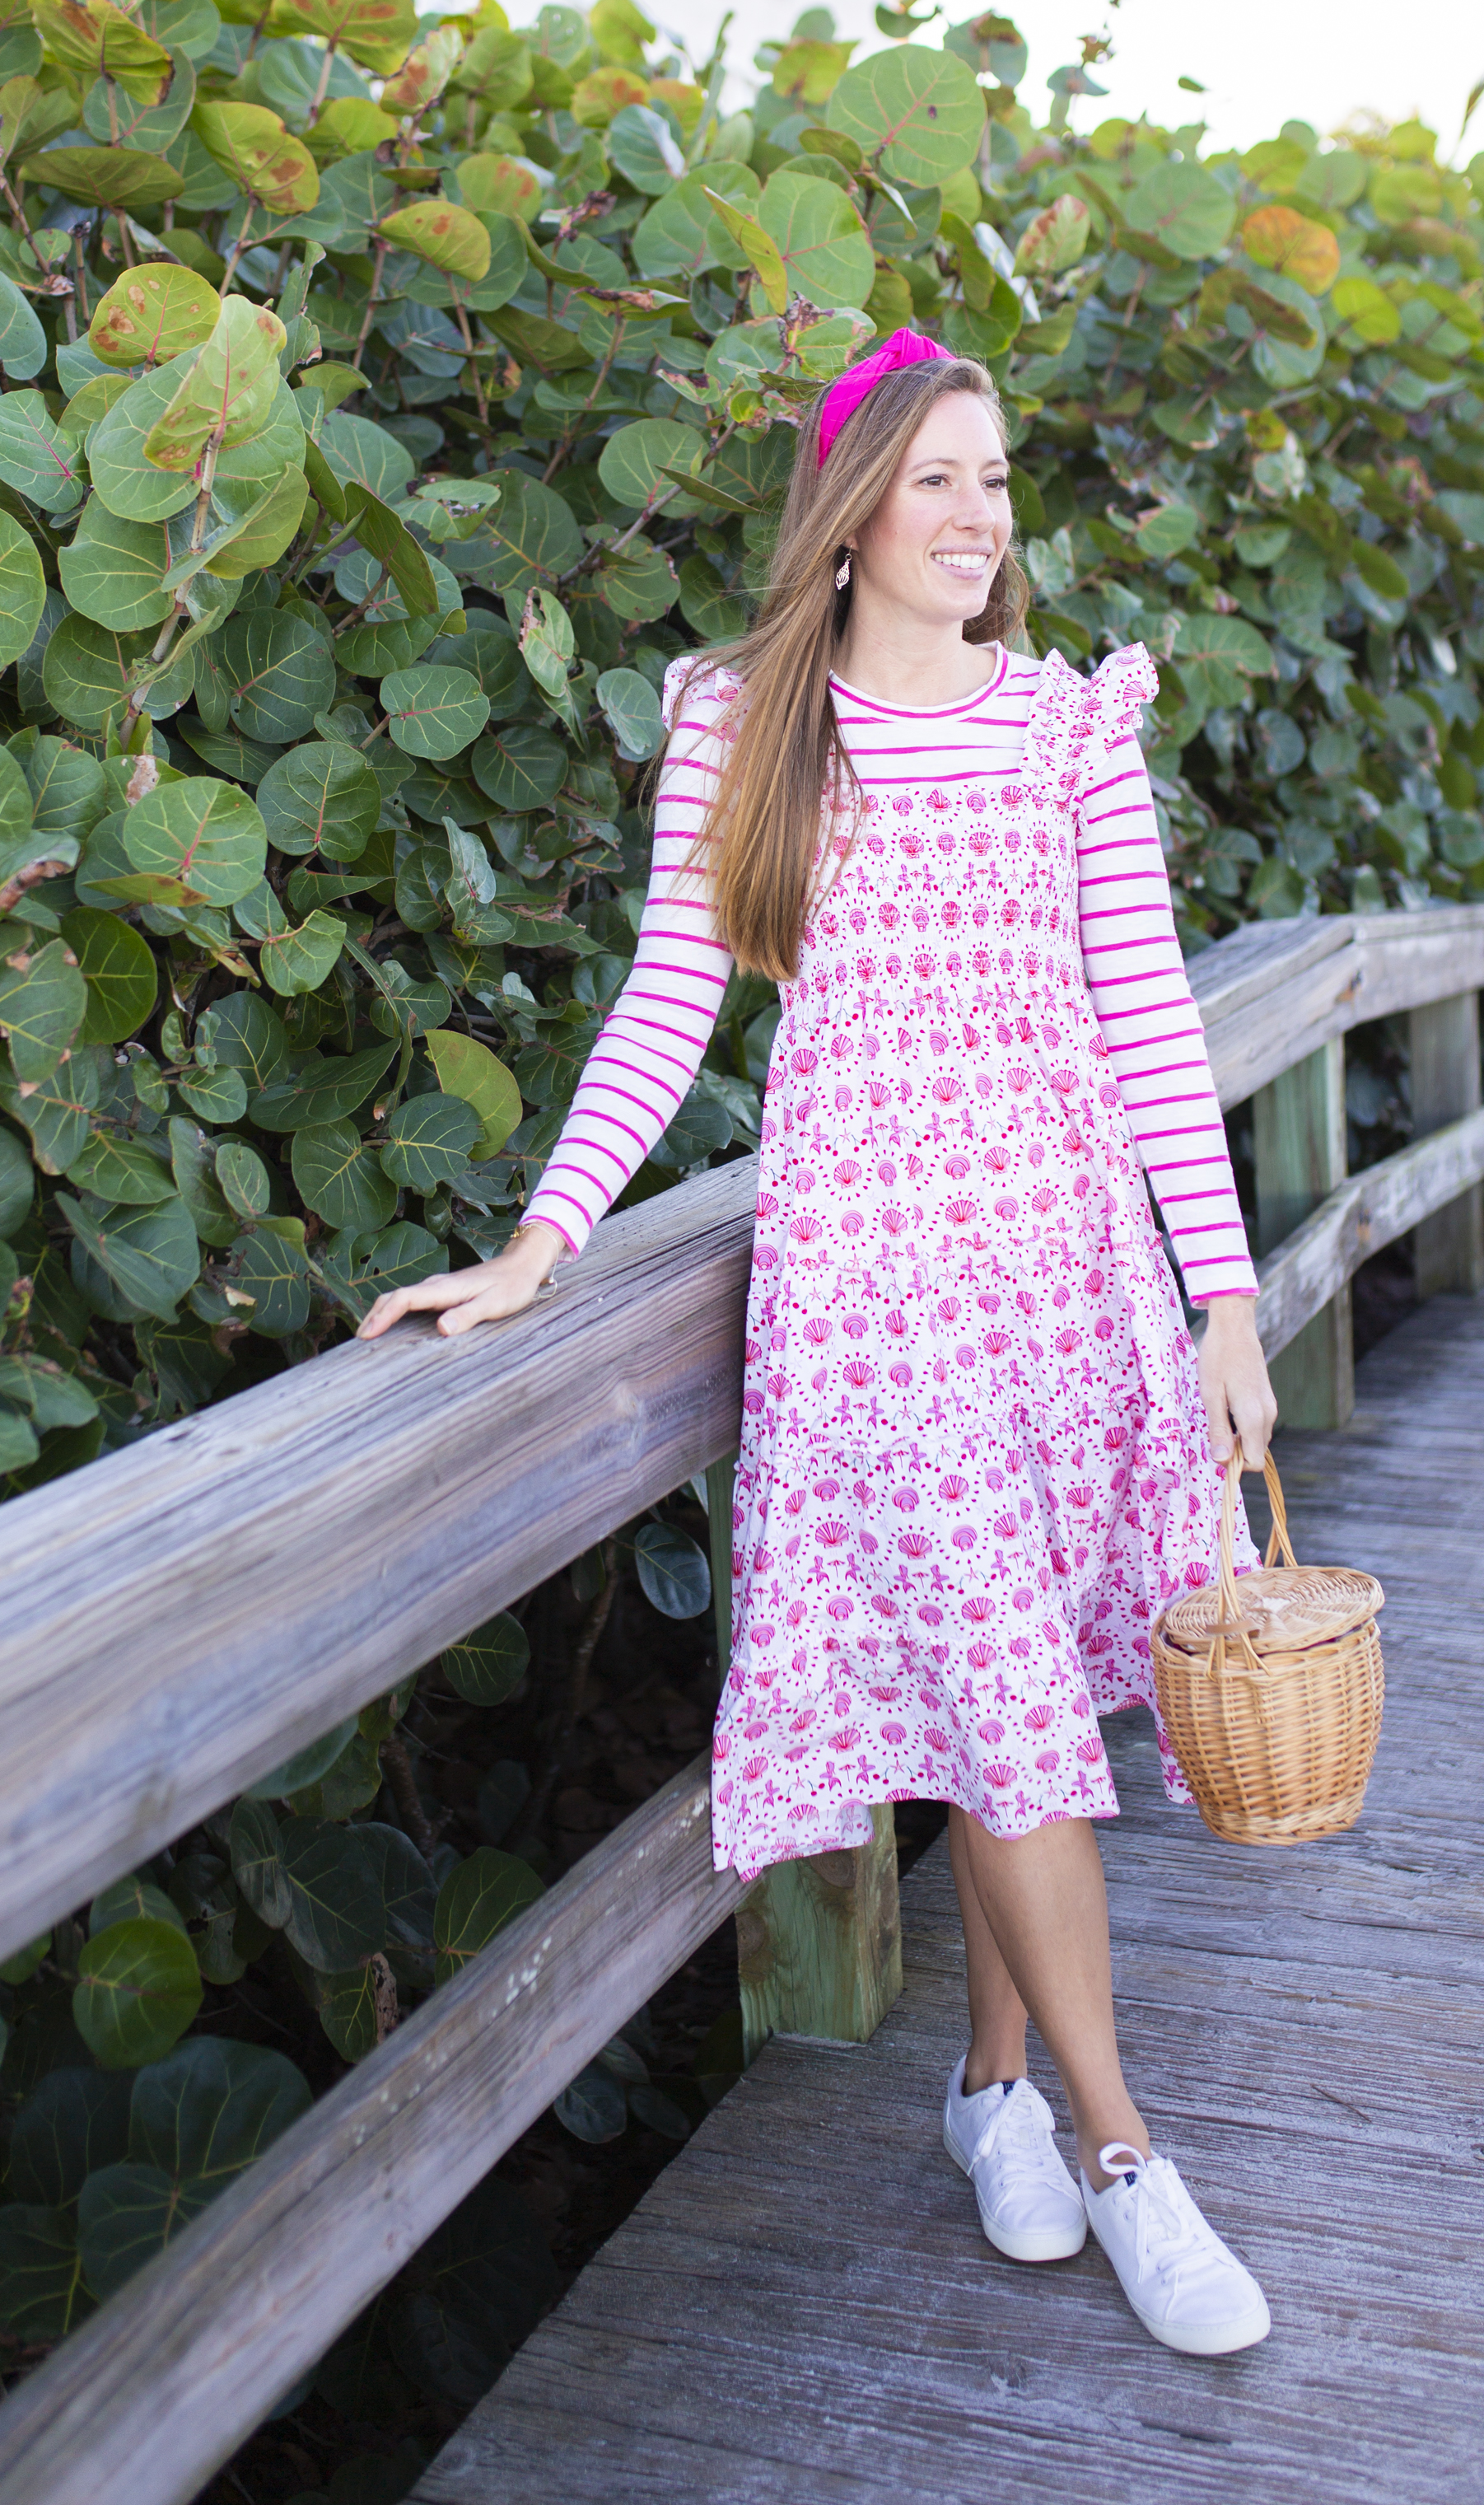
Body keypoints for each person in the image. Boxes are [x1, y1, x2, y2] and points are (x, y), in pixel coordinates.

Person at [361, 330, 1281, 2356]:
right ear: (851, 509)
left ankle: (990, 2099)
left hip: (1064, 1277)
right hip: (876, 1287)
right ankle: (1131, 2158)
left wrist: (1216, 1298)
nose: (979, 521)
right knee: (1011, 1716)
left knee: (1017, 1689)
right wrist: (536, 1242)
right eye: (938, 480)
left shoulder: (1064, 727)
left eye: (998, 483)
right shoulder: (744, 724)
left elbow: (1143, 1028)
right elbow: (664, 1009)